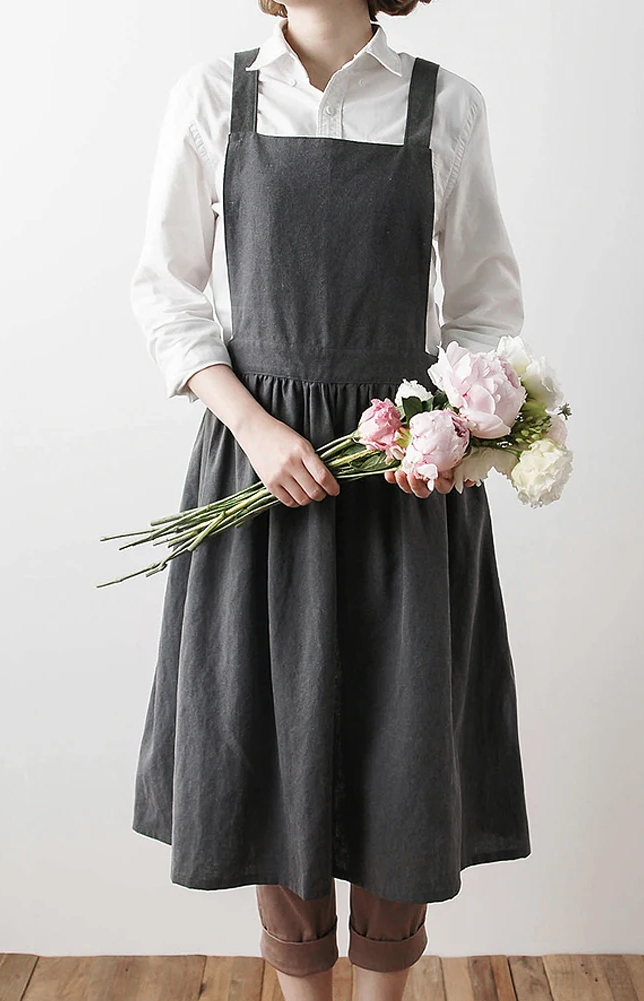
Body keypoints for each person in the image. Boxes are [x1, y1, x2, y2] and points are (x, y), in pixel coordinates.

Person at [129, 1, 532, 999]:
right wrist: (254, 428)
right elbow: (167, 295)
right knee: (272, 744)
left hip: (402, 478)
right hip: (262, 474)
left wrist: (445, 437)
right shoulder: (213, 96)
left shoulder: (446, 106)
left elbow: (483, 310)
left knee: (403, 748)